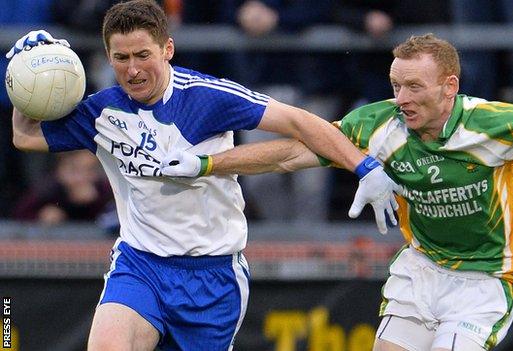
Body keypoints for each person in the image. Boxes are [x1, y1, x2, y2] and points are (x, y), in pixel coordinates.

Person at [161, 33, 513, 351]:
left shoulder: (494, 124)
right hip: (420, 268)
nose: (401, 97)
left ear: (449, 88)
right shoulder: (378, 123)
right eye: (395, 84)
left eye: (414, 86)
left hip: (486, 279)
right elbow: (291, 155)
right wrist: (206, 165)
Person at [6, 1, 398, 350]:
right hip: (140, 264)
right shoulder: (100, 111)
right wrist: (23, 75)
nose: (133, 69)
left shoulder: (208, 97)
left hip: (212, 276)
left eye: (143, 54)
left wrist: (363, 166)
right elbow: (24, 135)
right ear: (108, 57)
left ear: (168, 49)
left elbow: (299, 121)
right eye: (121, 58)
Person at [13, 150, 114, 225]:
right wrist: (39, 217)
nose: (82, 178)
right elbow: (16, 219)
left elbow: (113, 222)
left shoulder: (107, 191)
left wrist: (95, 202)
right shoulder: (47, 190)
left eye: (89, 170)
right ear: (60, 170)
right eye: (74, 170)